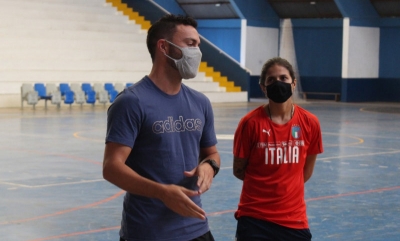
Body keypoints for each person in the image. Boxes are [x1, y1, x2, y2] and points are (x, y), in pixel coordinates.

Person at [102, 14, 220, 241]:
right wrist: (163, 193)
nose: (197, 52)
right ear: (164, 47)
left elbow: (211, 153)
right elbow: (111, 167)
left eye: (198, 45)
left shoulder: (200, 102)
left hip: (197, 227)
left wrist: (209, 167)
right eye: (190, 44)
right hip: (148, 233)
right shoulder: (131, 102)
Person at [232, 57, 323, 241]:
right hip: (254, 218)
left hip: (294, 219)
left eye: (283, 78)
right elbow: (239, 170)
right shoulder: (250, 123)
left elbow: (306, 171)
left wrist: (286, 186)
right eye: (271, 80)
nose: (278, 83)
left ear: (293, 83)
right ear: (263, 87)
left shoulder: (310, 122)